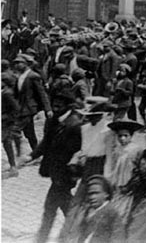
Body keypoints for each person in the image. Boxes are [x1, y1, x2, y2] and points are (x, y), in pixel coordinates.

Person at [25, 88, 82, 243]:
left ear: (68, 106)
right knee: (60, 208)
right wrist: (31, 156)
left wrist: (70, 173)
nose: (55, 107)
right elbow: (46, 142)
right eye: (54, 104)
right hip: (56, 174)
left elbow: (76, 152)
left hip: (65, 175)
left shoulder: (75, 125)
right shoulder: (54, 120)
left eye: (59, 105)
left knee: (54, 209)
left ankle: (46, 238)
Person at [58, 174, 126, 243]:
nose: (92, 197)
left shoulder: (112, 213)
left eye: (96, 193)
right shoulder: (86, 212)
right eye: (90, 194)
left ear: (106, 194)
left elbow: (118, 237)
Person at [13, 53, 52, 156]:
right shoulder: (19, 76)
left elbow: (42, 93)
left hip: (29, 108)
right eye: (15, 63)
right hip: (21, 108)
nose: (17, 65)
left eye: (19, 63)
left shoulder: (33, 76)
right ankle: (36, 152)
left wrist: (48, 109)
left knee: (15, 130)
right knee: (29, 133)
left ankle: (18, 154)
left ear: (26, 64)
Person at [104, 119, 144, 218]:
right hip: (117, 183)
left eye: (126, 136)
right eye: (120, 136)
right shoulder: (117, 150)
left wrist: (132, 183)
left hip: (129, 183)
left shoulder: (136, 149)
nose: (122, 138)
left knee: (126, 210)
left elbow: (139, 168)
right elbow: (113, 167)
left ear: (131, 136)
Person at [2, 71, 20, 177]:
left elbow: (16, 109)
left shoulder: (7, 93)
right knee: (7, 143)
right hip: (5, 122)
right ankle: (13, 167)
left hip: (6, 122)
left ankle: (13, 167)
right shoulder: (5, 92)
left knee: (7, 142)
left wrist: (6, 117)